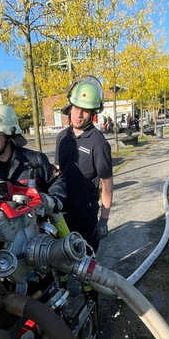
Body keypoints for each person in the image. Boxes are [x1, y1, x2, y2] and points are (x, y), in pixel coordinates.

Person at [55, 75, 114, 254]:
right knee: (61, 257)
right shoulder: (62, 137)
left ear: (93, 114)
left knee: (86, 260)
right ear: (70, 107)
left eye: (85, 111)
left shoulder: (99, 143)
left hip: (84, 215)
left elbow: (107, 184)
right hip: (61, 212)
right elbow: (57, 170)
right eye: (76, 108)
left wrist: (104, 219)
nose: (79, 115)